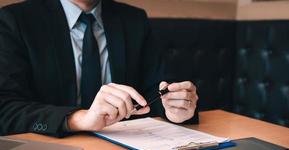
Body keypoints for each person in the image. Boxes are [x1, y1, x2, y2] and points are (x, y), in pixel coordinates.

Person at [0, 0, 199, 137]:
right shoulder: (14, 20)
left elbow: (154, 91)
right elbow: (6, 109)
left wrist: (174, 109)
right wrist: (78, 119)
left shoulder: (133, 19)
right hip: (52, 149)